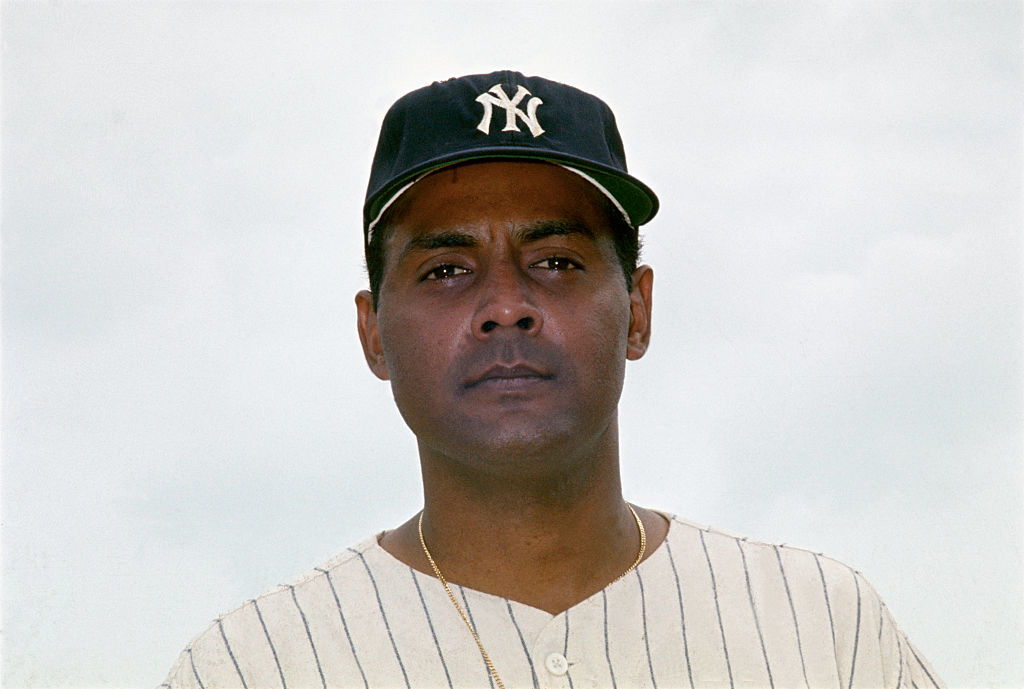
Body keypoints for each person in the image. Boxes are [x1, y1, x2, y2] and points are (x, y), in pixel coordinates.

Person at [162, 70, 944, 689]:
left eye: (557, 261)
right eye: (445, 269)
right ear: (373, 333)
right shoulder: (252, 667)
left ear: (637, 309)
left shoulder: (823, 627)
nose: (506, 305)